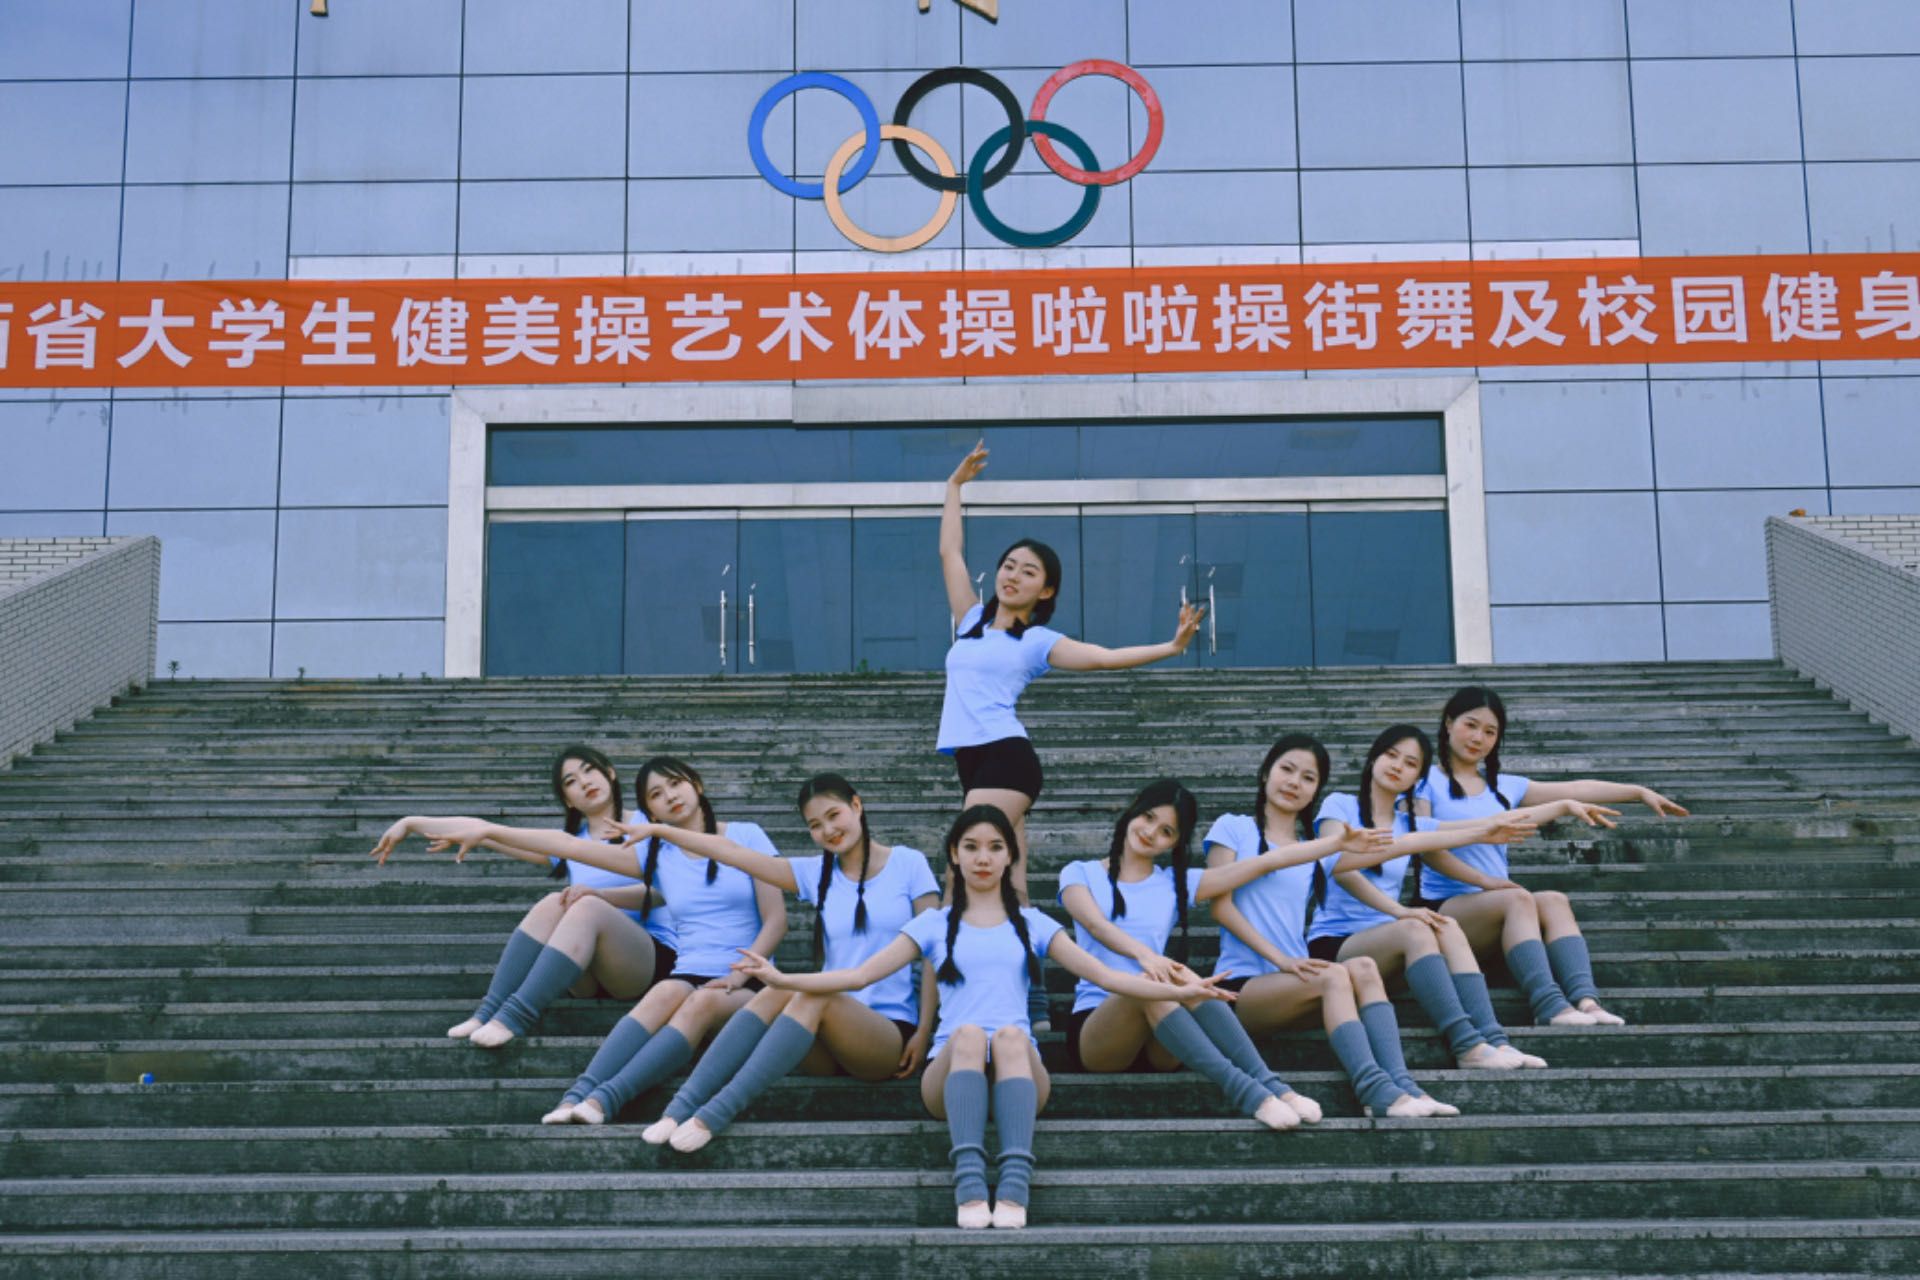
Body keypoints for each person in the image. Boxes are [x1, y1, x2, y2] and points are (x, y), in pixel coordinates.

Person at [733, 804, 1234, 1231]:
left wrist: (1181, 990)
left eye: (995, 847)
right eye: (971, 847)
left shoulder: (1034, 923)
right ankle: (970, 1184)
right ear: (955, 854)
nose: (983, 857)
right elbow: (860, 975)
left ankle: (1014, 1187)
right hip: (948, 1072)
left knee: (1013, 1036)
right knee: (970, 1035)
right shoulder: (931, 923)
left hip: (1023, 1071)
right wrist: (784, 979)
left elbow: (1106, 976)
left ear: (1009, 856)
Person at [937, 439, 1203, 1028]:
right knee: (1013, 884)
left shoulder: (1036, 641)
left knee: (965, 865)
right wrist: (954, 488)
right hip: (972, 761)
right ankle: (1033, 1002)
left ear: (1046, 591)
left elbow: (1104, 658)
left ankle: (955, 991)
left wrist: (1170, 647)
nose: (1013, 575)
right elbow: (951, 551)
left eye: (1029, 572)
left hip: (1006, 760)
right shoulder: (970, 621)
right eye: (1009, 565)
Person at [376, 756, 787, 1122]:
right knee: (653, 984)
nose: (670, 797)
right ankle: (576, 1097)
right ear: (650, 810)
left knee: (687, 997)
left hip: (736, 973)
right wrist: (467, 828)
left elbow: (776, 920)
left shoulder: (740, 836)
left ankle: (605, 1097)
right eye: (657, 794)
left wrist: (739, 974)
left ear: (695, 784)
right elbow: (562, 843)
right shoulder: (657, 855)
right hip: (683, 970)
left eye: (675, 784)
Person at [1206, 734, 1532, 1119]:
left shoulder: (1314, 851)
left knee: (1363, 967)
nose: (1294, 783)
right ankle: (1375, 1091)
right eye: (1287, 770)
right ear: (1266, 773)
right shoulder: (1233, 827)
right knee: (1335, 976)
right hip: (1242, 986)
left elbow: (1407, 842)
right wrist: (1283, 960)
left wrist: (1481, 832)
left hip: (1294, 984)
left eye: (1308, 778)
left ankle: (1403, 1087)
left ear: (1316, 790)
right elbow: (1220, 908)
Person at [626, 773, 941, 1154]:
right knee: (779, 991)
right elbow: (734, 853)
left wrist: (925, 1031)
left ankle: (713, 1115)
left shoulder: (908, 863)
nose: (828, 830)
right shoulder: (815, 873)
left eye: (834, 815)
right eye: (815, 825)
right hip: (822, 1035)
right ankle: (677, 1111)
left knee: (807, 991)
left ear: (857, 805)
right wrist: (664, 831)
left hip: (886, 1035)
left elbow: (935, 953)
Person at [1057, 777, 1392, 1124]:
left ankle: (1276, 1088)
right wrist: (1147, 956)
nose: (1151, 832)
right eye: (1148, 817)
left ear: (1175, 842)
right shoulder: (1079, 873)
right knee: (1156, 982)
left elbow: (1267, 862)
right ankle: (1251, 1094)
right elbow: (1096, 925)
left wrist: (1336, 842)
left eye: (1167, 831)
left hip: (1162, 1041)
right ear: (1133, 810)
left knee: (1172, 979)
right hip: (1100, 1032)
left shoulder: (1176, 883)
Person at [1307, 726, 1618, 1067]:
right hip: (1337, 942)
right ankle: (1467, 1046)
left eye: (1410, 763)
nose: (1397, 766)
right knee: (1416, 928)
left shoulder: (1411, 824)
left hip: (1386, 944)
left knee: (1448, 926)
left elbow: (1487, 823)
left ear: (1417, 778)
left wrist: (1561, 806)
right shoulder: (1340, 804)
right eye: (1391, 755)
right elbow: (1338, 867)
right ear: (1373, 758)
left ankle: (1495, 1041)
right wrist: (1400, 912)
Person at [368, 745, 676, 1046]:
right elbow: (483, 829)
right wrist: (411, 823)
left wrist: (601, 895)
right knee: (553, 902)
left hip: (642, 963)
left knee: (588, 906)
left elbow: (666, 892)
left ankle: (514, 1017)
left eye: (589, 770)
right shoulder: (569, 843)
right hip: (584, 970)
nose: (584, 782)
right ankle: (487, 1012)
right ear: (567, 800)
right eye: (571, 781)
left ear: (609, 773)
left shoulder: (648, 826)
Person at [1419, 686, 1690, 1027]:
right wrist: (1486, 882)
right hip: (1445, 910)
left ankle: (1587, 1002)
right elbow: (1425, 846)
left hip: (1498, 907)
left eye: (1490, 732)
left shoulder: (1504, 786)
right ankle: (1549, 1006)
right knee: (1517, 898)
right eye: (1470, 725)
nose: (1478, 738)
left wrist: (1637, 792)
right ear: (1449, 723)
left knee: (1554, 901)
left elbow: (1575, 789)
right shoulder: (1423, 780)